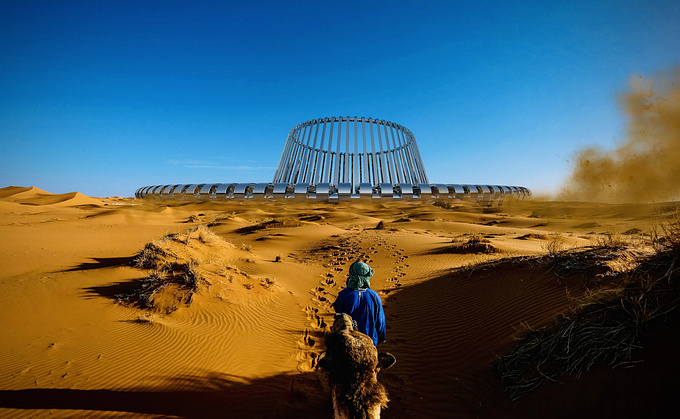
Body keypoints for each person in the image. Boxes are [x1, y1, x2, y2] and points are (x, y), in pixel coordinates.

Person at [332, 261, 386, 346]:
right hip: (370, 342)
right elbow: (380, 321)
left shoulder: (344, 294)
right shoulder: (374, 296)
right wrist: (382, 337)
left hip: (347, 343)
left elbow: (337, 311)